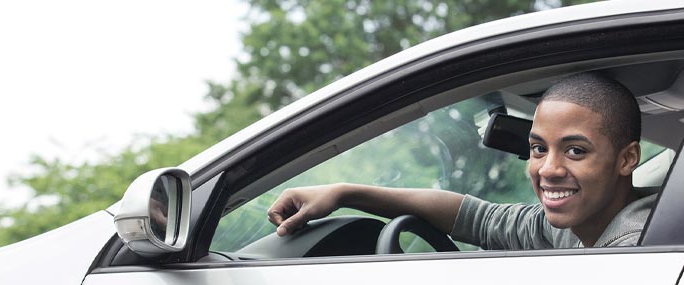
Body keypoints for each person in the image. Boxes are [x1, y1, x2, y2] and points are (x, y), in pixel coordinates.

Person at [268, 72, 654, 249]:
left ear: (627, 159)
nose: (549, 169)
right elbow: (476, 218)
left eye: (575, 151)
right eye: (538, 149)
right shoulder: (576, 225)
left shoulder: (638, 246)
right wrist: (343, 192)